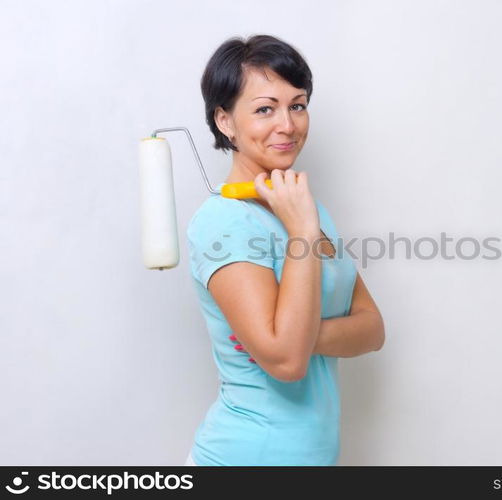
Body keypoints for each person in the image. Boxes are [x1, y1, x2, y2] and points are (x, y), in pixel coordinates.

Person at [184, 34, 385, 466]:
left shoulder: (307, 211)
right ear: (225, 121)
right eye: (264, 109)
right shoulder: (226, 221)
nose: (288, 125)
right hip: (246, 456)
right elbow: (288, 363)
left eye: (297, 104)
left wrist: (293, 336)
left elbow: (372, 329)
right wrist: (301, 235)